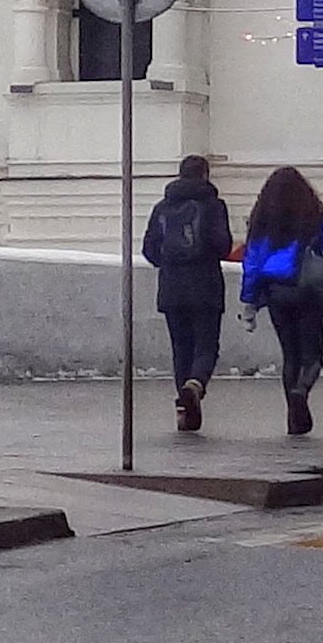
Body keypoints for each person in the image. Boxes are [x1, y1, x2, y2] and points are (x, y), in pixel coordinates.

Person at [240, 165, 323, 438]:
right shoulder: (316, 222)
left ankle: (294, 417)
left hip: (277, 293)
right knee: (313, 357)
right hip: (311, 293)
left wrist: (249, 304)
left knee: (290, 355)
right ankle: (302, 391)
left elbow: (252, 264)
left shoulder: (263, 224)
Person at [142, 154, 234, 435]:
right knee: (206, 345)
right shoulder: (213, 206)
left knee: (181, 349)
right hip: (206, 286)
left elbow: (149, 249)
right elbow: (223, 246)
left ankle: (185, 412)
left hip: (172, 288)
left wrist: (169, 265)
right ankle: (195, 384)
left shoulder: (162, 207)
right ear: (205, 175)